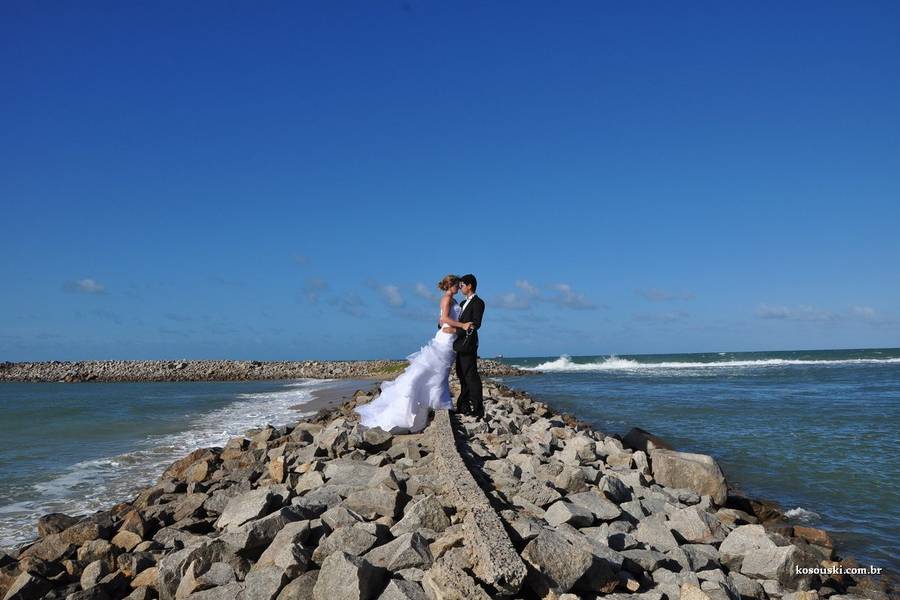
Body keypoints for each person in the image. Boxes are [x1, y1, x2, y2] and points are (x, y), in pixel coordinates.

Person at [355, 274, 473, 433]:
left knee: (440, 373)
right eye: (457, 285)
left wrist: (455, 327)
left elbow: (442, 319)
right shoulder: (446, 299)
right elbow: (444, 318)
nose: (459, 287)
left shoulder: (453, 300)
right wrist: (462, 325)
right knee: (434, 371)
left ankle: (438, 401)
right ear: (451, 285)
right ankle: (435, 402)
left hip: (450, 338)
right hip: (444, 340)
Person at [454, 274, 485, 418]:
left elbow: (476, 324)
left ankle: (478, 409)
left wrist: (457, 329)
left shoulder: (478, 302)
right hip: (459, 343)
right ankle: (463, 406)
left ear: (469, 286)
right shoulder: (461, 303)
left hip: (469, 343)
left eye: (462, 285)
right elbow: (458, 321)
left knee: (471, 376)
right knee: (461, 374)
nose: (460, 288)